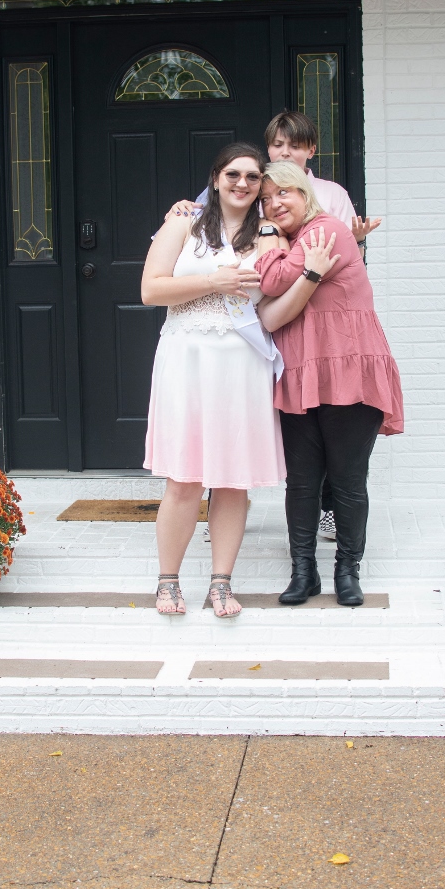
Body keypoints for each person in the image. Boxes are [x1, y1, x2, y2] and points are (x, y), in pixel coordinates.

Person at [141, 144, 337, 618]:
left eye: (253, 178)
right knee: (184, 478)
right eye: (233, 174)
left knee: (232, 481)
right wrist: (214, 282)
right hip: (187, 358)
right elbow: (151, 289)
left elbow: (276, 296)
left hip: (242, 364)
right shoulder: (184, 223)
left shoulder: (268, 234)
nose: (243, 184)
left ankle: (221, 583)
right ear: (215, 177)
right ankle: (168, 581)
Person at [168, 110, 382, 541]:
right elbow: (206, 216)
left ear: (311, 151)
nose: (286, 151)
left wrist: (348, 242)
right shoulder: (250, 186)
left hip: (316, 321)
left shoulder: (330, 195)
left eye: (295, 144)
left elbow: (330, 248)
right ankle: (223, 506)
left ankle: (325, 517)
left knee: (329, 435)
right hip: (271, 327)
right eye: (278, 144)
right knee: (230, 426)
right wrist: (182, 210)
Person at [254, 162, 404, 607]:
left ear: (304, 192)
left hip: (349, 370)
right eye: (265, 199)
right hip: (302, 372)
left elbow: (273, 279)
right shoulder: (297, 241)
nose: (274, 203)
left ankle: (347, 571)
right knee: (301, 482)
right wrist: (278, 240)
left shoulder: (328, 229)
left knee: (348, 482)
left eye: (284, 193)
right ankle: (304, 572)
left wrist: (267, 236)